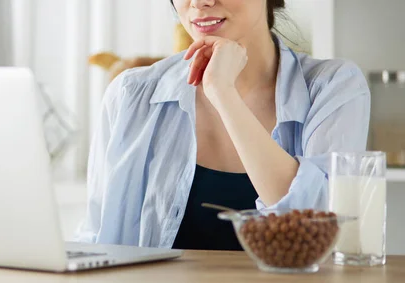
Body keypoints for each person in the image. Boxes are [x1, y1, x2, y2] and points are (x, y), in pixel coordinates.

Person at [74, 0, 370, 250]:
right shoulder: (130, 94)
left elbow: (313, 227)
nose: (200, 2)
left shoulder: (333, 86)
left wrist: (223, 93)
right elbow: (95, 233)